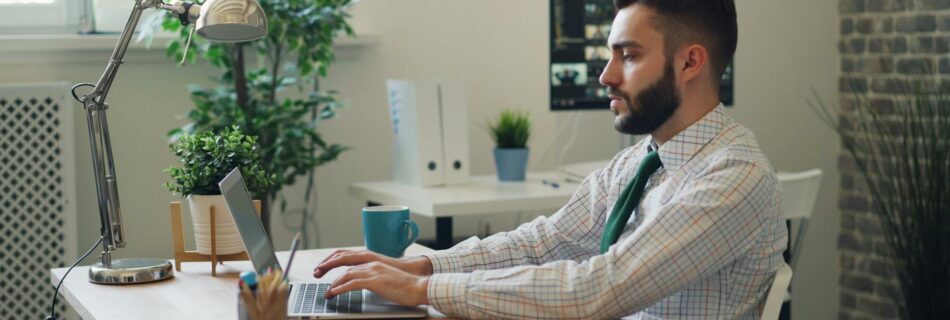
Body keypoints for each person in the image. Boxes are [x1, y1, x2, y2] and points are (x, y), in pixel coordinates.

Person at [313, 0, 787, 318]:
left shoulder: (732, 175)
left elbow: (600, 289)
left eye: (628, 56)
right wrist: (427, 267)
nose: (605, 75)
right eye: (609, 56)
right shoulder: (641, 162)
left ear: (689, 62)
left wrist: (425, 293)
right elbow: (544, 243)